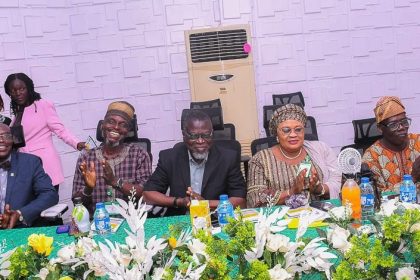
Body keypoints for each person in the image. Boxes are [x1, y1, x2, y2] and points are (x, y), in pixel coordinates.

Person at [143, 110, 246, 216]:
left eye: (206, 135)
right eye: (194, 136)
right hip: (180, 220)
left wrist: (204, 204)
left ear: (212, 133)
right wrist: (179, 201)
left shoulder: (227, 158)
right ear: (184, 135)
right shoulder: (169, 158)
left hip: (215, 218)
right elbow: (148, 195)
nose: (200, 141)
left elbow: (240, 201)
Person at [247, 104, 341, 208]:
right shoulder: (260, 160)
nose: (293, 135)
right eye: (286, 130)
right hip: (279, 221)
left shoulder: (321, 149)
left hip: (318, 216)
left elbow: (338, 183)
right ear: (276, 134)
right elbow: (255, 199)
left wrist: (319, 189)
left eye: (298, 129)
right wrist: (291, 192)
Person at [3, 73, 85, 189]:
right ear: (9, 93)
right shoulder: (18, 112)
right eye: (13, 90)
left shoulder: (43, 105)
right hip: (25, 167)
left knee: (46, 204)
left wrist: (77, 143)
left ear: (29, 88)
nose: (18, 93)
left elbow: (61, 130)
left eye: (22, 89)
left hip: (44, 165)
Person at [72, 101, 152, 214]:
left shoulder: (139, 155)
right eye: (111, 122)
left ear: (128, 131)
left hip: (131, 221)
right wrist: (88, 188)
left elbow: (145, 193)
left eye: (123, 124)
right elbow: (77, 203)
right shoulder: (86, 158)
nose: (116, 127)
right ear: (102, 126)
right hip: (97, 221)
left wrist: (115, 182)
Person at [0, 123, 58, 229]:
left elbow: (50, 194)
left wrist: (20, 214)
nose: (2, 140)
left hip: (23, 229)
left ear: (12, 140)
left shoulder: (30, 162)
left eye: (6, 136)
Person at [362, 96, 420, 191]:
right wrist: (413, 178)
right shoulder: (372, 157)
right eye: (393, 125)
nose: (401, 127)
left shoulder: (418, 141)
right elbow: (377, 196)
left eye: (404, 122)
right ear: (380, 128)